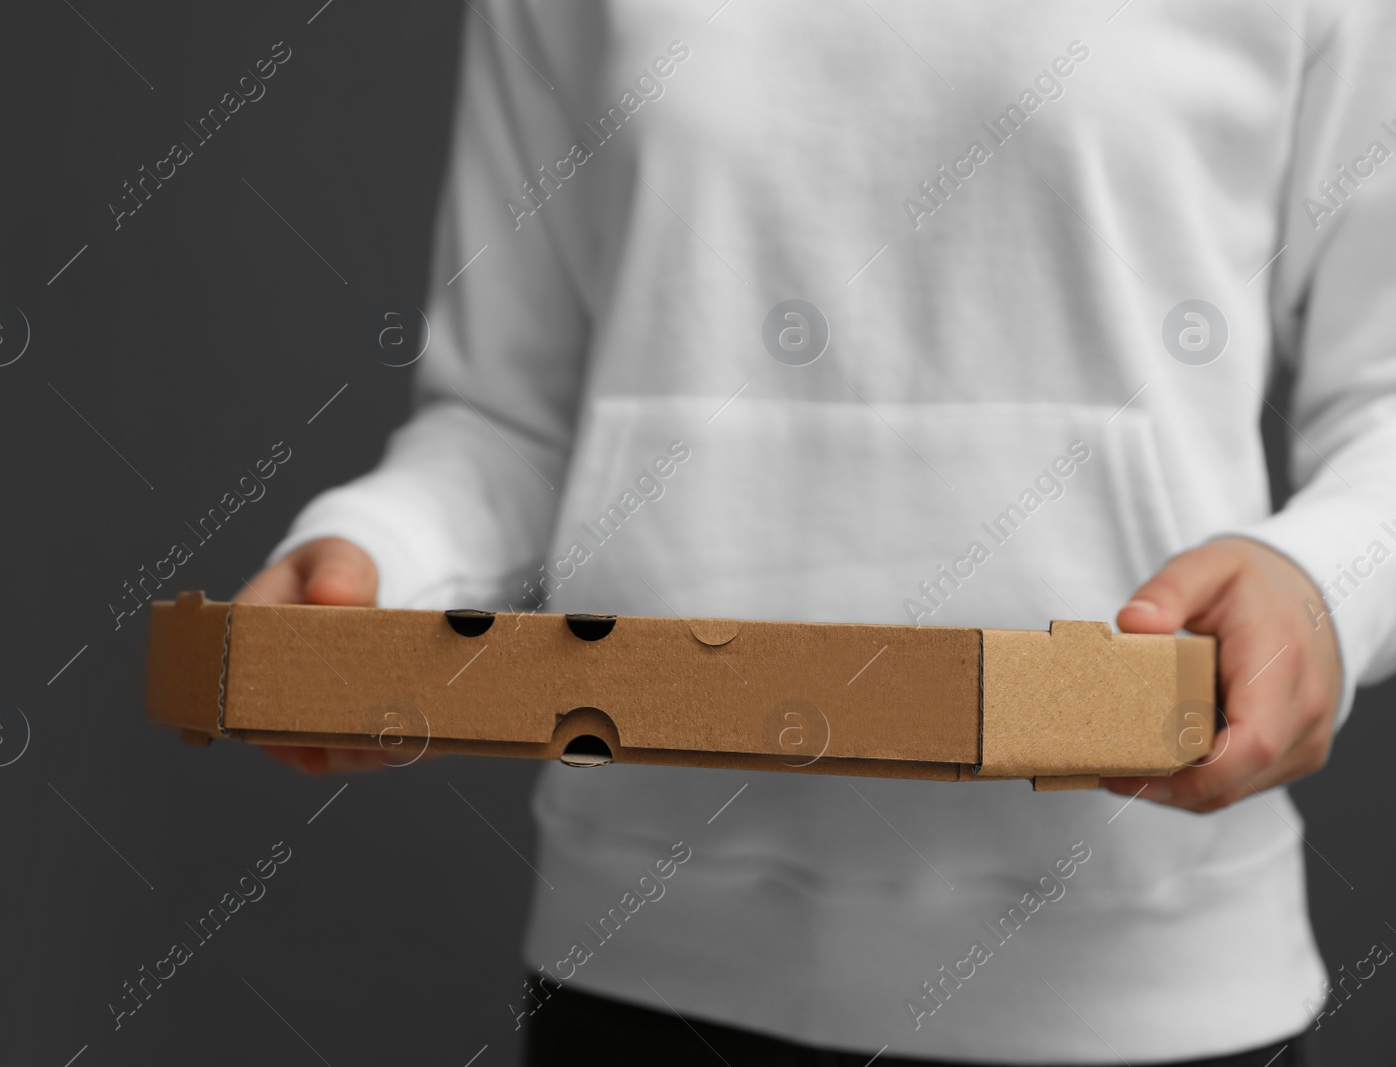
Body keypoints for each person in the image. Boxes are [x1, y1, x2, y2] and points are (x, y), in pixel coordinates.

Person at [238, 2, 1396, 1062]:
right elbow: (513, 414)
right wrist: (375, 549)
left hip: (1140, 979)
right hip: (648, 964)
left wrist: (1323, 588)